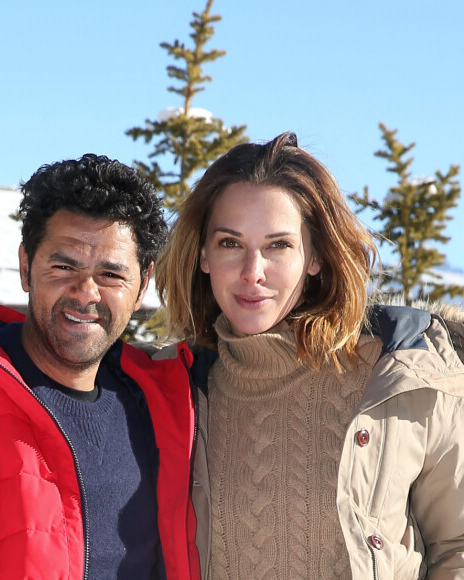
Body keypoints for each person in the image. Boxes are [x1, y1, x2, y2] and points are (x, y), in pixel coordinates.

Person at [152, 132, 464, 579]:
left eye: (278, 245)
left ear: (315, 256)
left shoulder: (404, 377)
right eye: (229, 243)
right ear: (203, 255)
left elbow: (458, 545)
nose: (252, 272)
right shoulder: (170, 391)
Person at [0, 154, 201, 579]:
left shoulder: (167, 403)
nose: (85, 292)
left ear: (142, 285)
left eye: (110, 274)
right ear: (25, 266)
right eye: (63, 265)